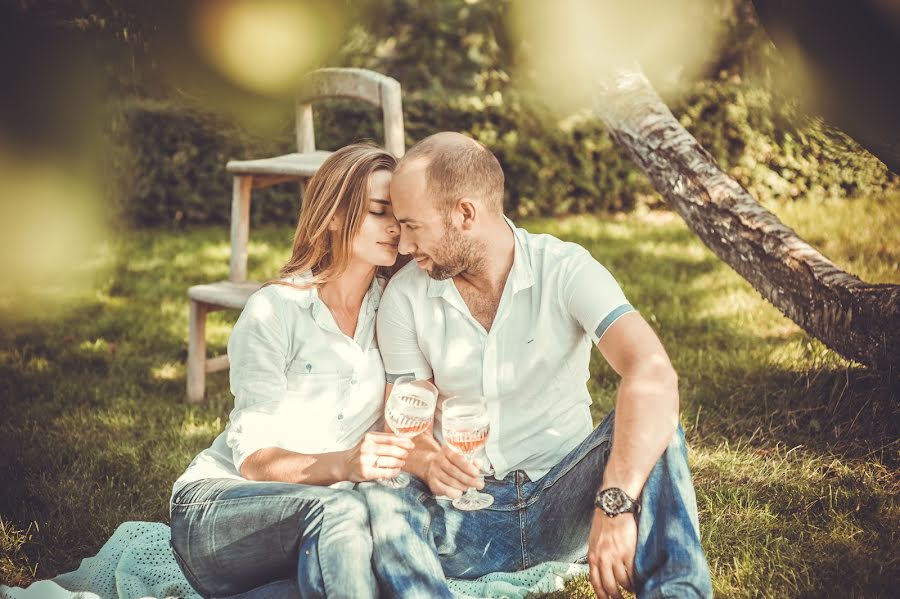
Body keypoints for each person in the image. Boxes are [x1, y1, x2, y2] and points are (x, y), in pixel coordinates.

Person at [360, 132, 713, 599]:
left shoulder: (565, 269)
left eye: (413, 226)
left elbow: (652, 370)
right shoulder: (405, 297)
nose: (402, 245)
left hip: (570, 506)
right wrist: (425, 456)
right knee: (381, 493)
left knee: (656, 419)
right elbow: (407, 420)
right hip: (466, 521)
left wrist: (614, 503)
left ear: (465, 214)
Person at [169, 143, 414, 599]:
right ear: (336, 214)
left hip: (326, 514)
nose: (395, 228)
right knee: (343, 512)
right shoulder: (275, 310)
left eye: (399, 214)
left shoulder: (394, 308)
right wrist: (343, 463)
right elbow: (253, 458)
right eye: (380, 211)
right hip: (221, 505)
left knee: (362, 538)